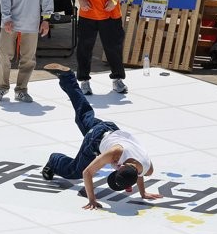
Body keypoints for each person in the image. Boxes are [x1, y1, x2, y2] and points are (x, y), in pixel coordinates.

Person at [40, 64, 159, 209]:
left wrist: (143, 192)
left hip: (111, 129)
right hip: (95, 140)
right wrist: (92, 200)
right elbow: (87, 172)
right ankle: (55, 160)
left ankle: (67, 77)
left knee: (83, 113)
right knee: (75, 171)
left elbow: (140, 173)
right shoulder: (114, 153)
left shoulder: (147, 167)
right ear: (121, 165)